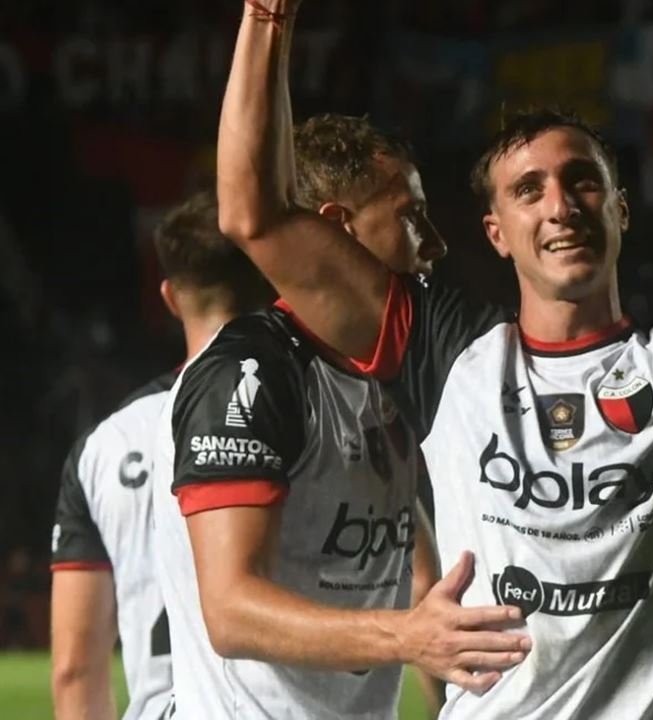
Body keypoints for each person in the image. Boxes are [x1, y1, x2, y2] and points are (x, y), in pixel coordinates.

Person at [216, 0, 653, 716]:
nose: (560, 205)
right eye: (529, 190)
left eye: (582, 180)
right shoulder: (443, 353)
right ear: (497, 232)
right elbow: (254, 213)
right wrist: (267, 19)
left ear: (620, 209)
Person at [151, 24, 527, 715]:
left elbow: (413, 565)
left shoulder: (393, 372)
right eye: (410, 216)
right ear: (338, 226)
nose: (436, 243)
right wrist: (408, 636)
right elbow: (232, 612)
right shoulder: (251, 374)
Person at [49, 190, 276, 720]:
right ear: (268, 284)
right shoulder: (326, 408)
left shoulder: (105, 445)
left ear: (171, 298)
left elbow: (75, 670)